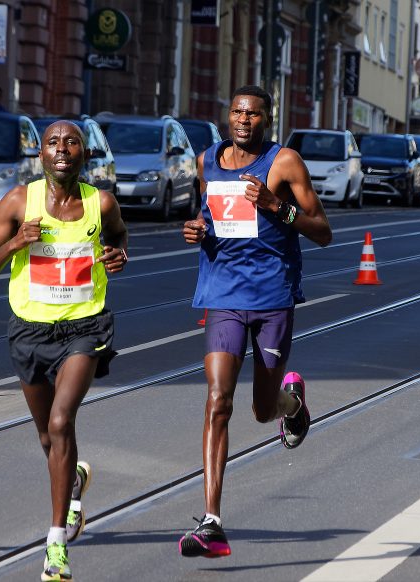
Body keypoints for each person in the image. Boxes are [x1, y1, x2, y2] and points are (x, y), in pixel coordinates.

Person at [178, 85, 332, 558]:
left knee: (261, 410)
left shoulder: (284, 163)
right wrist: (197, 229)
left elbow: (323, 231)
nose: (244, 120)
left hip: (271, 296)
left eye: (254, 114)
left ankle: (292, 404)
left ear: (268, 118)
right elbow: (209, 216)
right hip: (223, 293)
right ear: (229, 116)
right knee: (217, 398)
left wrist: (275, 206)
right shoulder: (208, 161)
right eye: (238, 112)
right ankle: (211, 521)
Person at [0, 120, 127, 581]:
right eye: (53, 143)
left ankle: (55, 544)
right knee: (47, 437)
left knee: (62, 422)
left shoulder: (101, 203)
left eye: (72, 142)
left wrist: (119, 254)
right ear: (41, 154)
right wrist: (17, 241)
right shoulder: (20, 202)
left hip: (84, 327)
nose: (62, 149)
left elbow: (118, 237)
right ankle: (73, 480)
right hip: (29, 332)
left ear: (85, 154)